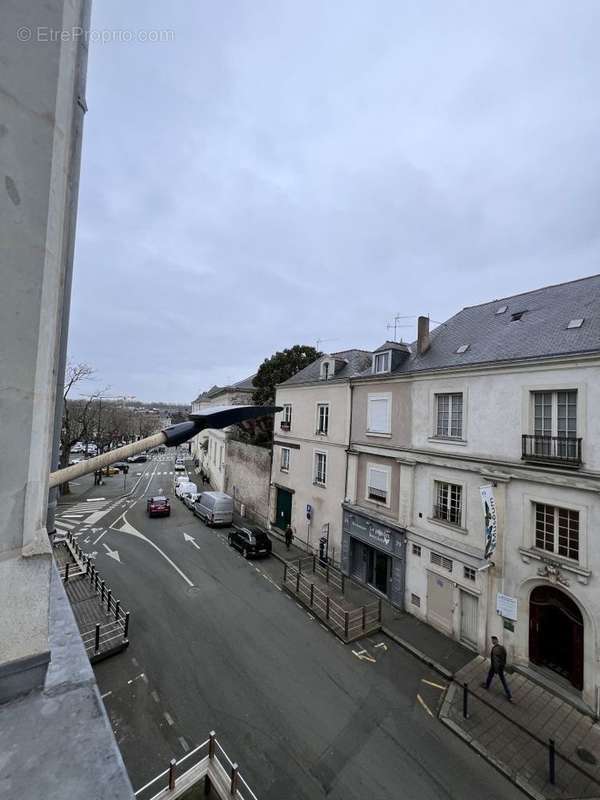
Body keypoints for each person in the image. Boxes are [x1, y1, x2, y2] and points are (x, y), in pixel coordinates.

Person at [482, 636, 512, 700]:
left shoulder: (495, 649)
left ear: (496, 640)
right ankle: (509, 695)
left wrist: (496, 669)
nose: (492, 642)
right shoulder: (502, 647)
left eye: (493, 640)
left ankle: (487, 686)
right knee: (503, 680)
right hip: (501, 666)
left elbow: (495, 660)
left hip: (495, 666)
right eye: (492, 640)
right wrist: (503, 666)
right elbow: (504, 657)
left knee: (490, 675)